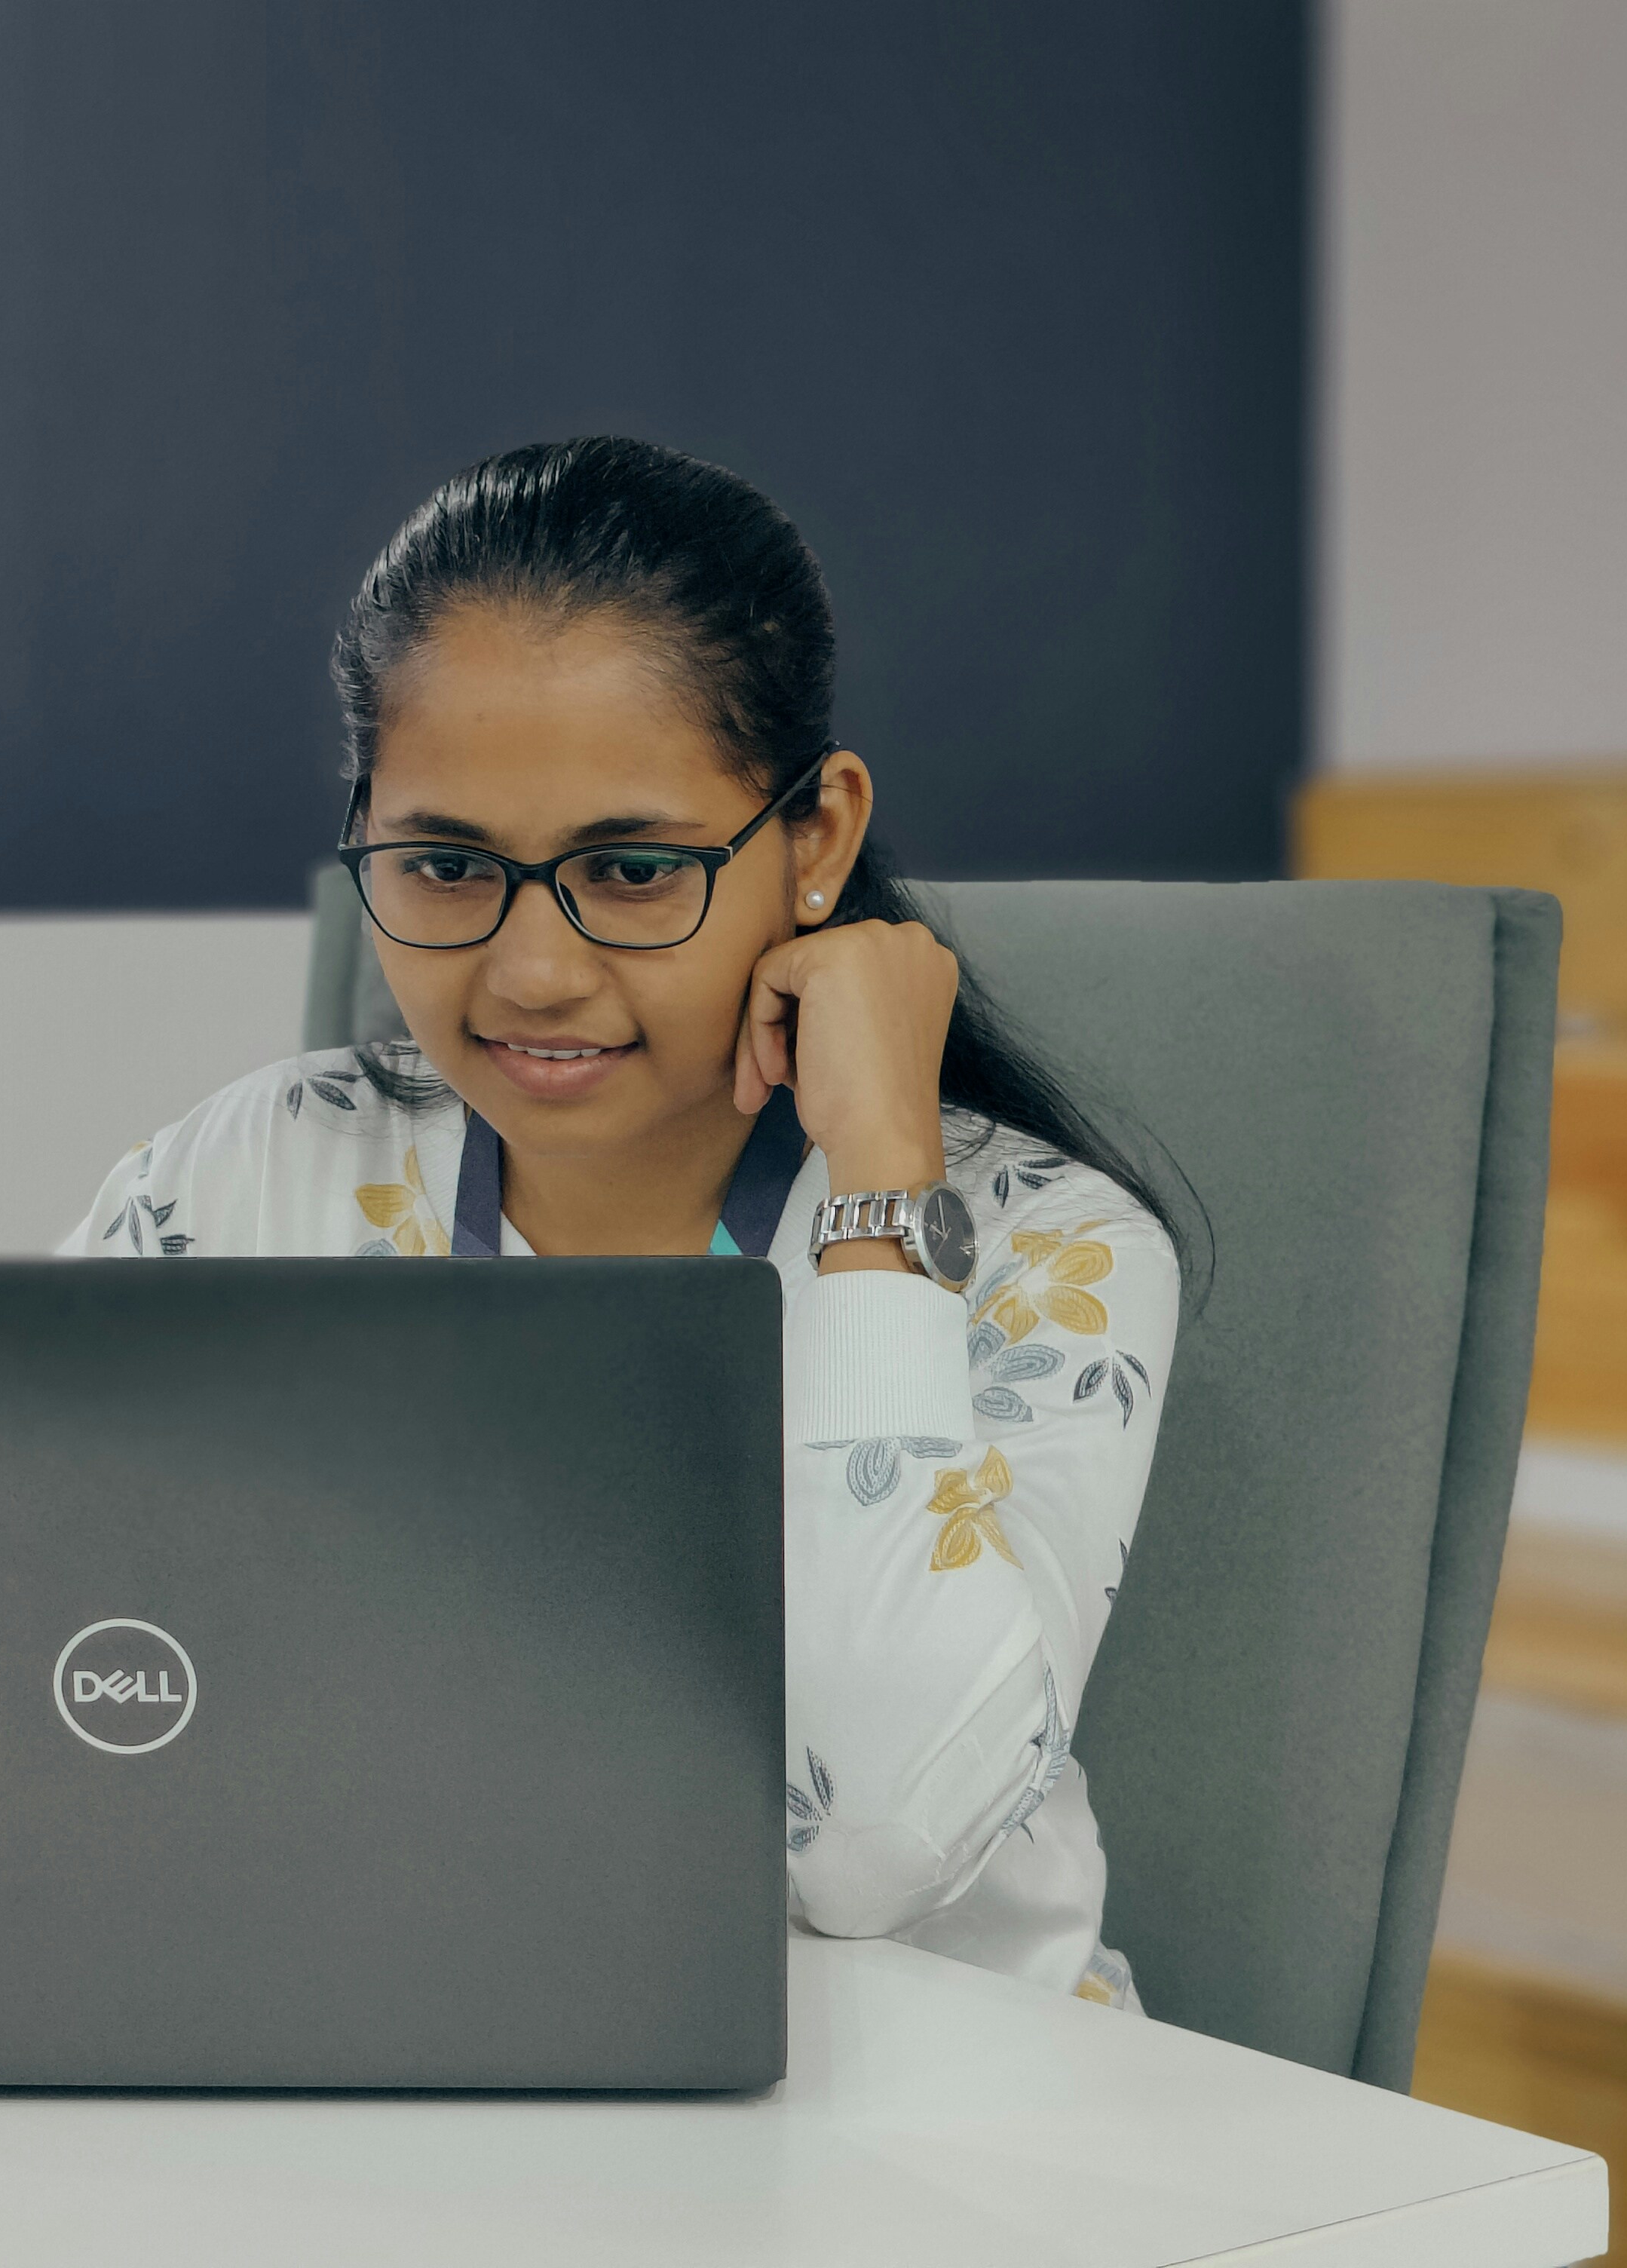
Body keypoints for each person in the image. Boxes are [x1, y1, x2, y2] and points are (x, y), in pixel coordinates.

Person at [62, 437, 1181, 2010]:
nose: (529, 969)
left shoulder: (1044, 1250)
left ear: (816, 838)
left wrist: (875, 1180)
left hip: (928, 2125)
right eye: (444, 865)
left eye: (634, 868)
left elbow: (867, 1850)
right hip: (397, 2047)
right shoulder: (250, 1175)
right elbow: (37, 1665)